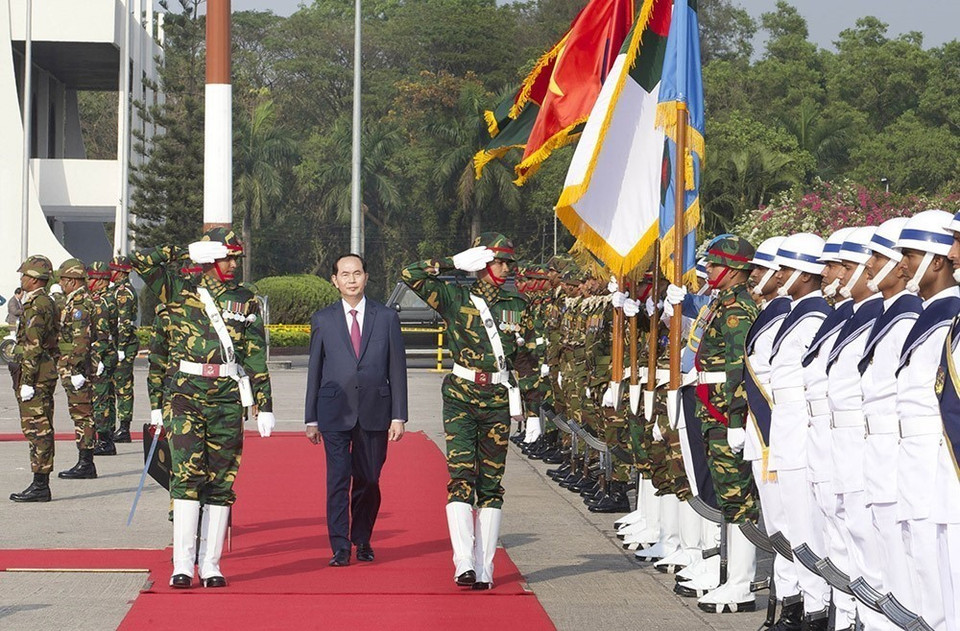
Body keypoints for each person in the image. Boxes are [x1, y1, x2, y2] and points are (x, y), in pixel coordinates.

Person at [130, 227, 275, 589]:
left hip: (227, 395)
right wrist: (184, 248)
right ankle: (182, 564)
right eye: (225, 257)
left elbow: (255, 353)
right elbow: (140, 261)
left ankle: (211, 564)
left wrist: (264, 403)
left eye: (235, 258)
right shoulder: (180, 289)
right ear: (208, 258)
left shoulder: (246, 299)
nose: (232, 264)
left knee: (221, 481)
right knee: (186, 477)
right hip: (184, 395)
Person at [402, 233, 533, 590]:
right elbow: (409, 274)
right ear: (482, 265)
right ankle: (463, 561)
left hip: (498, 401)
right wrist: (451, 263)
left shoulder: (517, 305)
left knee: (491, 485)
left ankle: (485, 565)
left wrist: (532, 408)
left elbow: (527, 358)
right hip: (461, 396)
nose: (506, 269)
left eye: (508, 263)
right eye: (499, 262)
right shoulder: (455, 295)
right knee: (461, 477)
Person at [303, 253, 408, 567]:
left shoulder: (386, 317)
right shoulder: (323, 319)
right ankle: (339, 546)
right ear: (334, 280)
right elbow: (315, 370)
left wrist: (398, 415)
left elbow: (397, 368)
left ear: (366, 277)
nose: (351, 280)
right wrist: (311, 418)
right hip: (334, 410)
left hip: (376, 410)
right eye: (344, 274)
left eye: (357, 273)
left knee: (369, 479)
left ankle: (362, 538)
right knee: (337, 479)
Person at [690, 234, 759, 614]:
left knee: (738, 499)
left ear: (733, 271)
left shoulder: (738, 310)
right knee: (726, 495)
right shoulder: (722, 304)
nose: (710, 270)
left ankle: (741, 584)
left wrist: (735, 418)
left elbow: (738, 369)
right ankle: (731, 577)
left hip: (724, 411)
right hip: (711, 408)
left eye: (716, 265)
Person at [9, 256, 58, 502]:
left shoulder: (37, 305)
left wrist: (27, 380)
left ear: (35, 278)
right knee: (38, 428)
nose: (21, 279)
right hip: (41, 372)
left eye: (24, 275)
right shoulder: (40, 302)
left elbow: (33, 346)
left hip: (37, 375)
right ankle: (39, 482)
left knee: (38, 429)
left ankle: (40, 485)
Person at [54, 258, 98, 480]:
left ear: (72, 280)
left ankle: (86, 463)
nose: (60, 283)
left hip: (78, 368)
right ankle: (84, 460)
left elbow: (81, 340)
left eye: (62, 279)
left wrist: (77, 369)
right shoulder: (74, 301)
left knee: (82, 414)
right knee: (79, 413)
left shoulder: (80, 304)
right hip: (72, 365)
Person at [110, 255, 139, 443]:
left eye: (114, 269)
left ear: (120, 271)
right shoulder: (118, 290)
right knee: (118, 384)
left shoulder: (123, 292)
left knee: (123, 385)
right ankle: (119, 426)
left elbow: (124, 322)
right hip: (120, 343)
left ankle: (124, 427)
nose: (111, 273)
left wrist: (120, 347)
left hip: (124, 344)